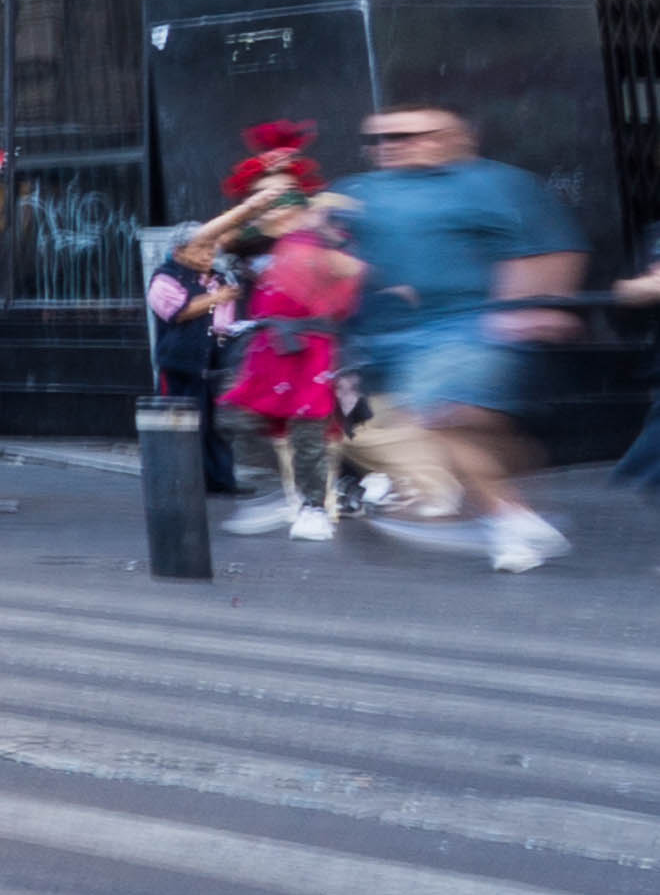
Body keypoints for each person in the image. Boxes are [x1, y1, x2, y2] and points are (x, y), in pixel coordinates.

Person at [325, 101, 585, 571]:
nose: (391, 146)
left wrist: (531, 306)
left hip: (466, 327)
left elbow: (555, 248)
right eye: (379, 139)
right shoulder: (353, 191)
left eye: (408, 136)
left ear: (455, 138)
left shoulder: (497, 183)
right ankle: (506, 510)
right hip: (377, 338)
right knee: (456, 429)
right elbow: (315, 250)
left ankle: (510, 518)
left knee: (443, 418)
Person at [225, 210, 360, 540]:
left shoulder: (331, 249)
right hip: (269, 348)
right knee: (244, 420)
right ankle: (282, 496)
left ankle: (315, 507)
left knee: (310, 431)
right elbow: (228, 242)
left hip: (310, 349)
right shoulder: (265, 242)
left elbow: (346, 296)